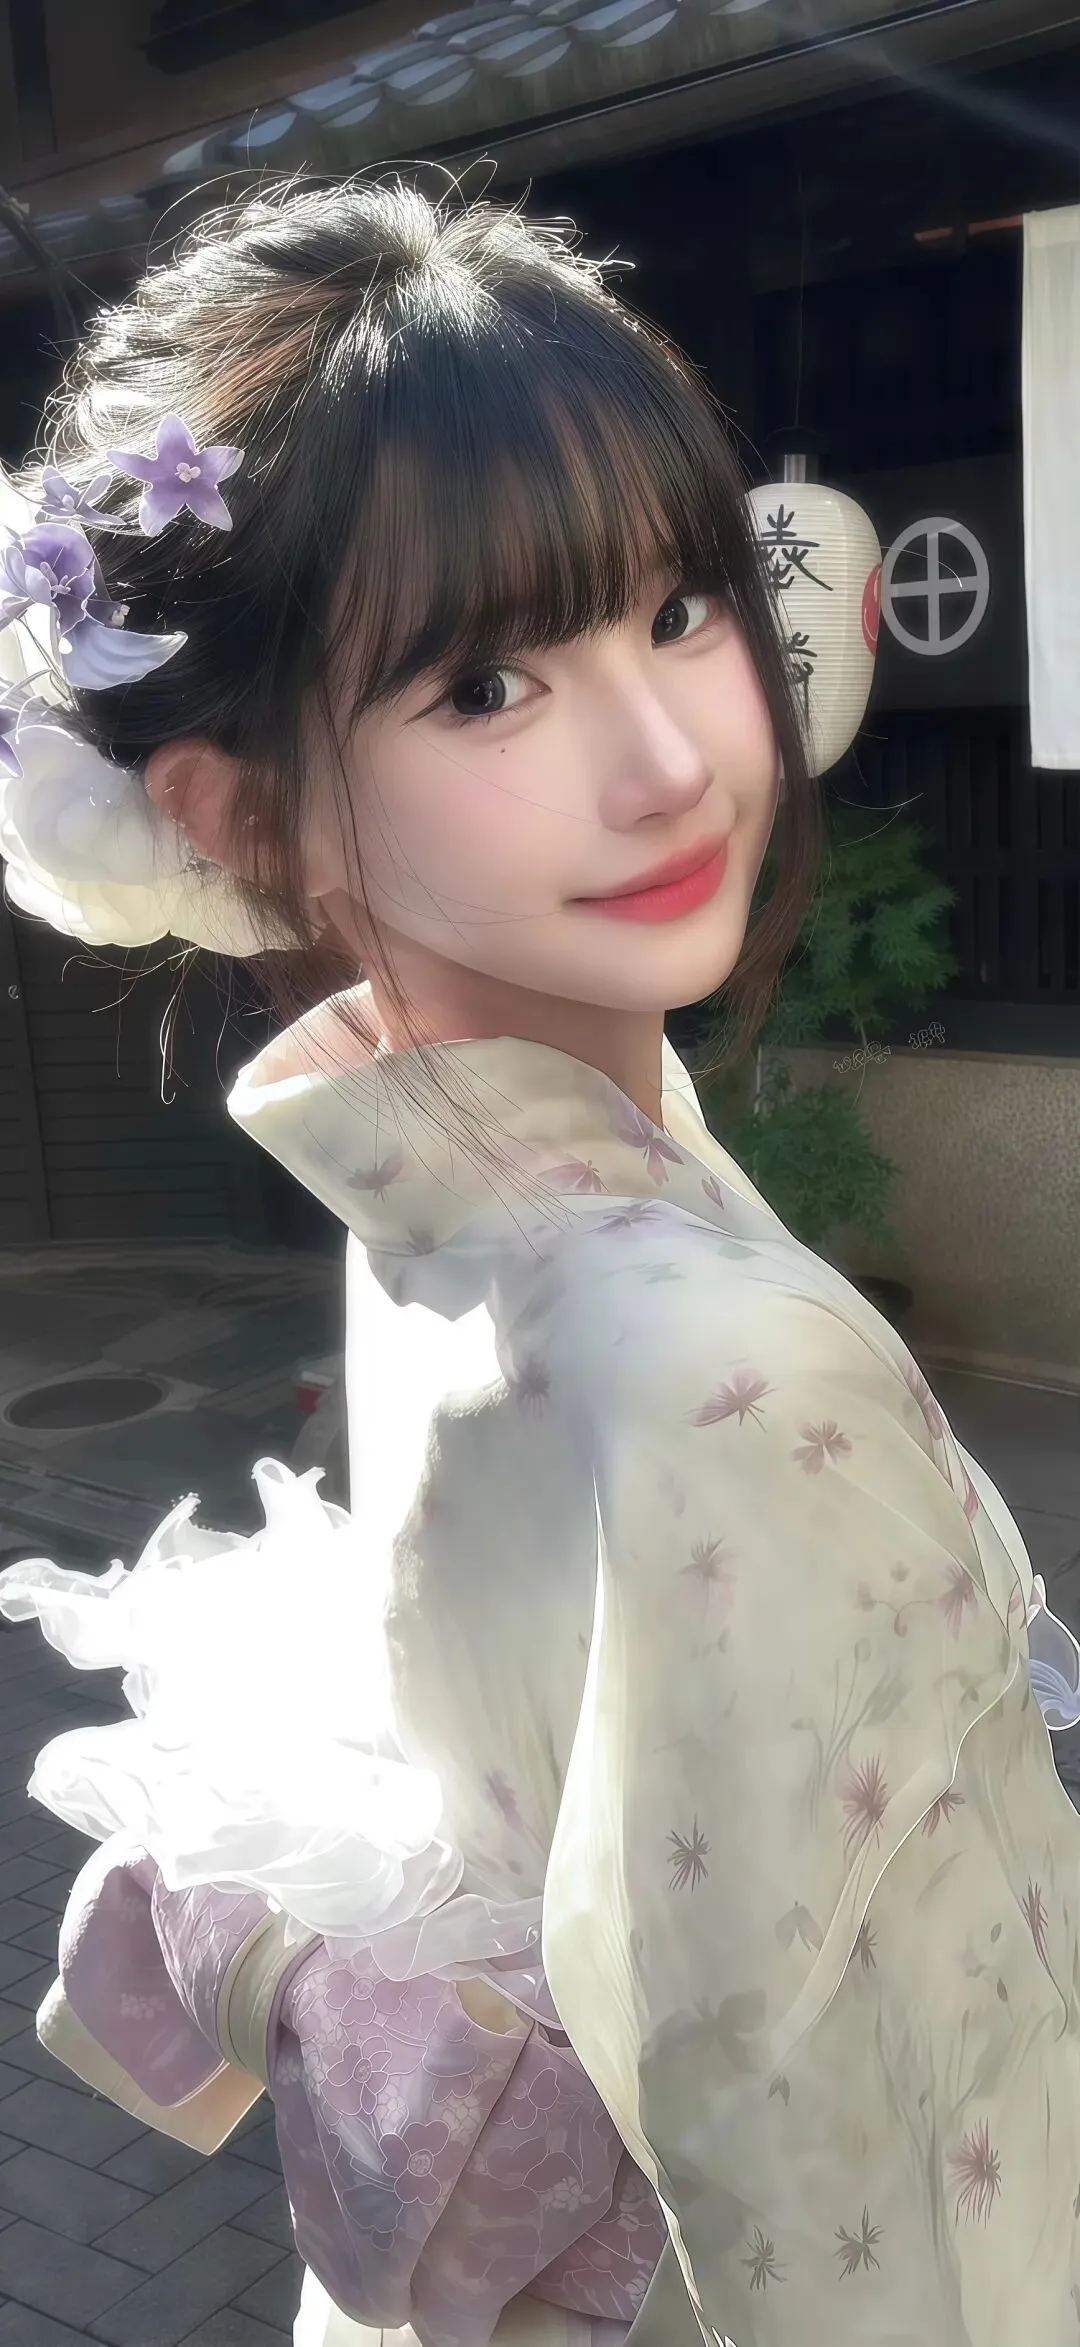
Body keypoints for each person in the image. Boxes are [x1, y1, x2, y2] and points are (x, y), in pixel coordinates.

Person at [1, 175, 1079, 2347]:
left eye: (681, 608)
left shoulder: (428, 1179)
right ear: (241, 813)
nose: (671, 759)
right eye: (489, 683)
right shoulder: (716, 1358)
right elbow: (848, 2196)